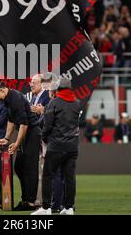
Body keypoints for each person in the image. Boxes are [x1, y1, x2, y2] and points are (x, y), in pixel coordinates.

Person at [0, 79, 41, 211]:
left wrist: (16, 143)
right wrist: (6, 138)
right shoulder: (6, 100)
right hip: (24, 133)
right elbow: (11, 120)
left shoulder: (16, 98)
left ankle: (30, 201)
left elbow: (24, 124)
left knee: (30, 167)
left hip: (32, 132)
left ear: (0, 90)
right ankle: (25, 198)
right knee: (19, 167)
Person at [32, 78, 82, 215]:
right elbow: (78, 124)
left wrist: (44, 138)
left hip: (56, 146)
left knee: (48, 175)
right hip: (72, 147)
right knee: (70, 177)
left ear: (57, 89)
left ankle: (47, 207)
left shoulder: (54, 102)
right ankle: (69, 207)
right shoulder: (77, 103)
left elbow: (47, 126)